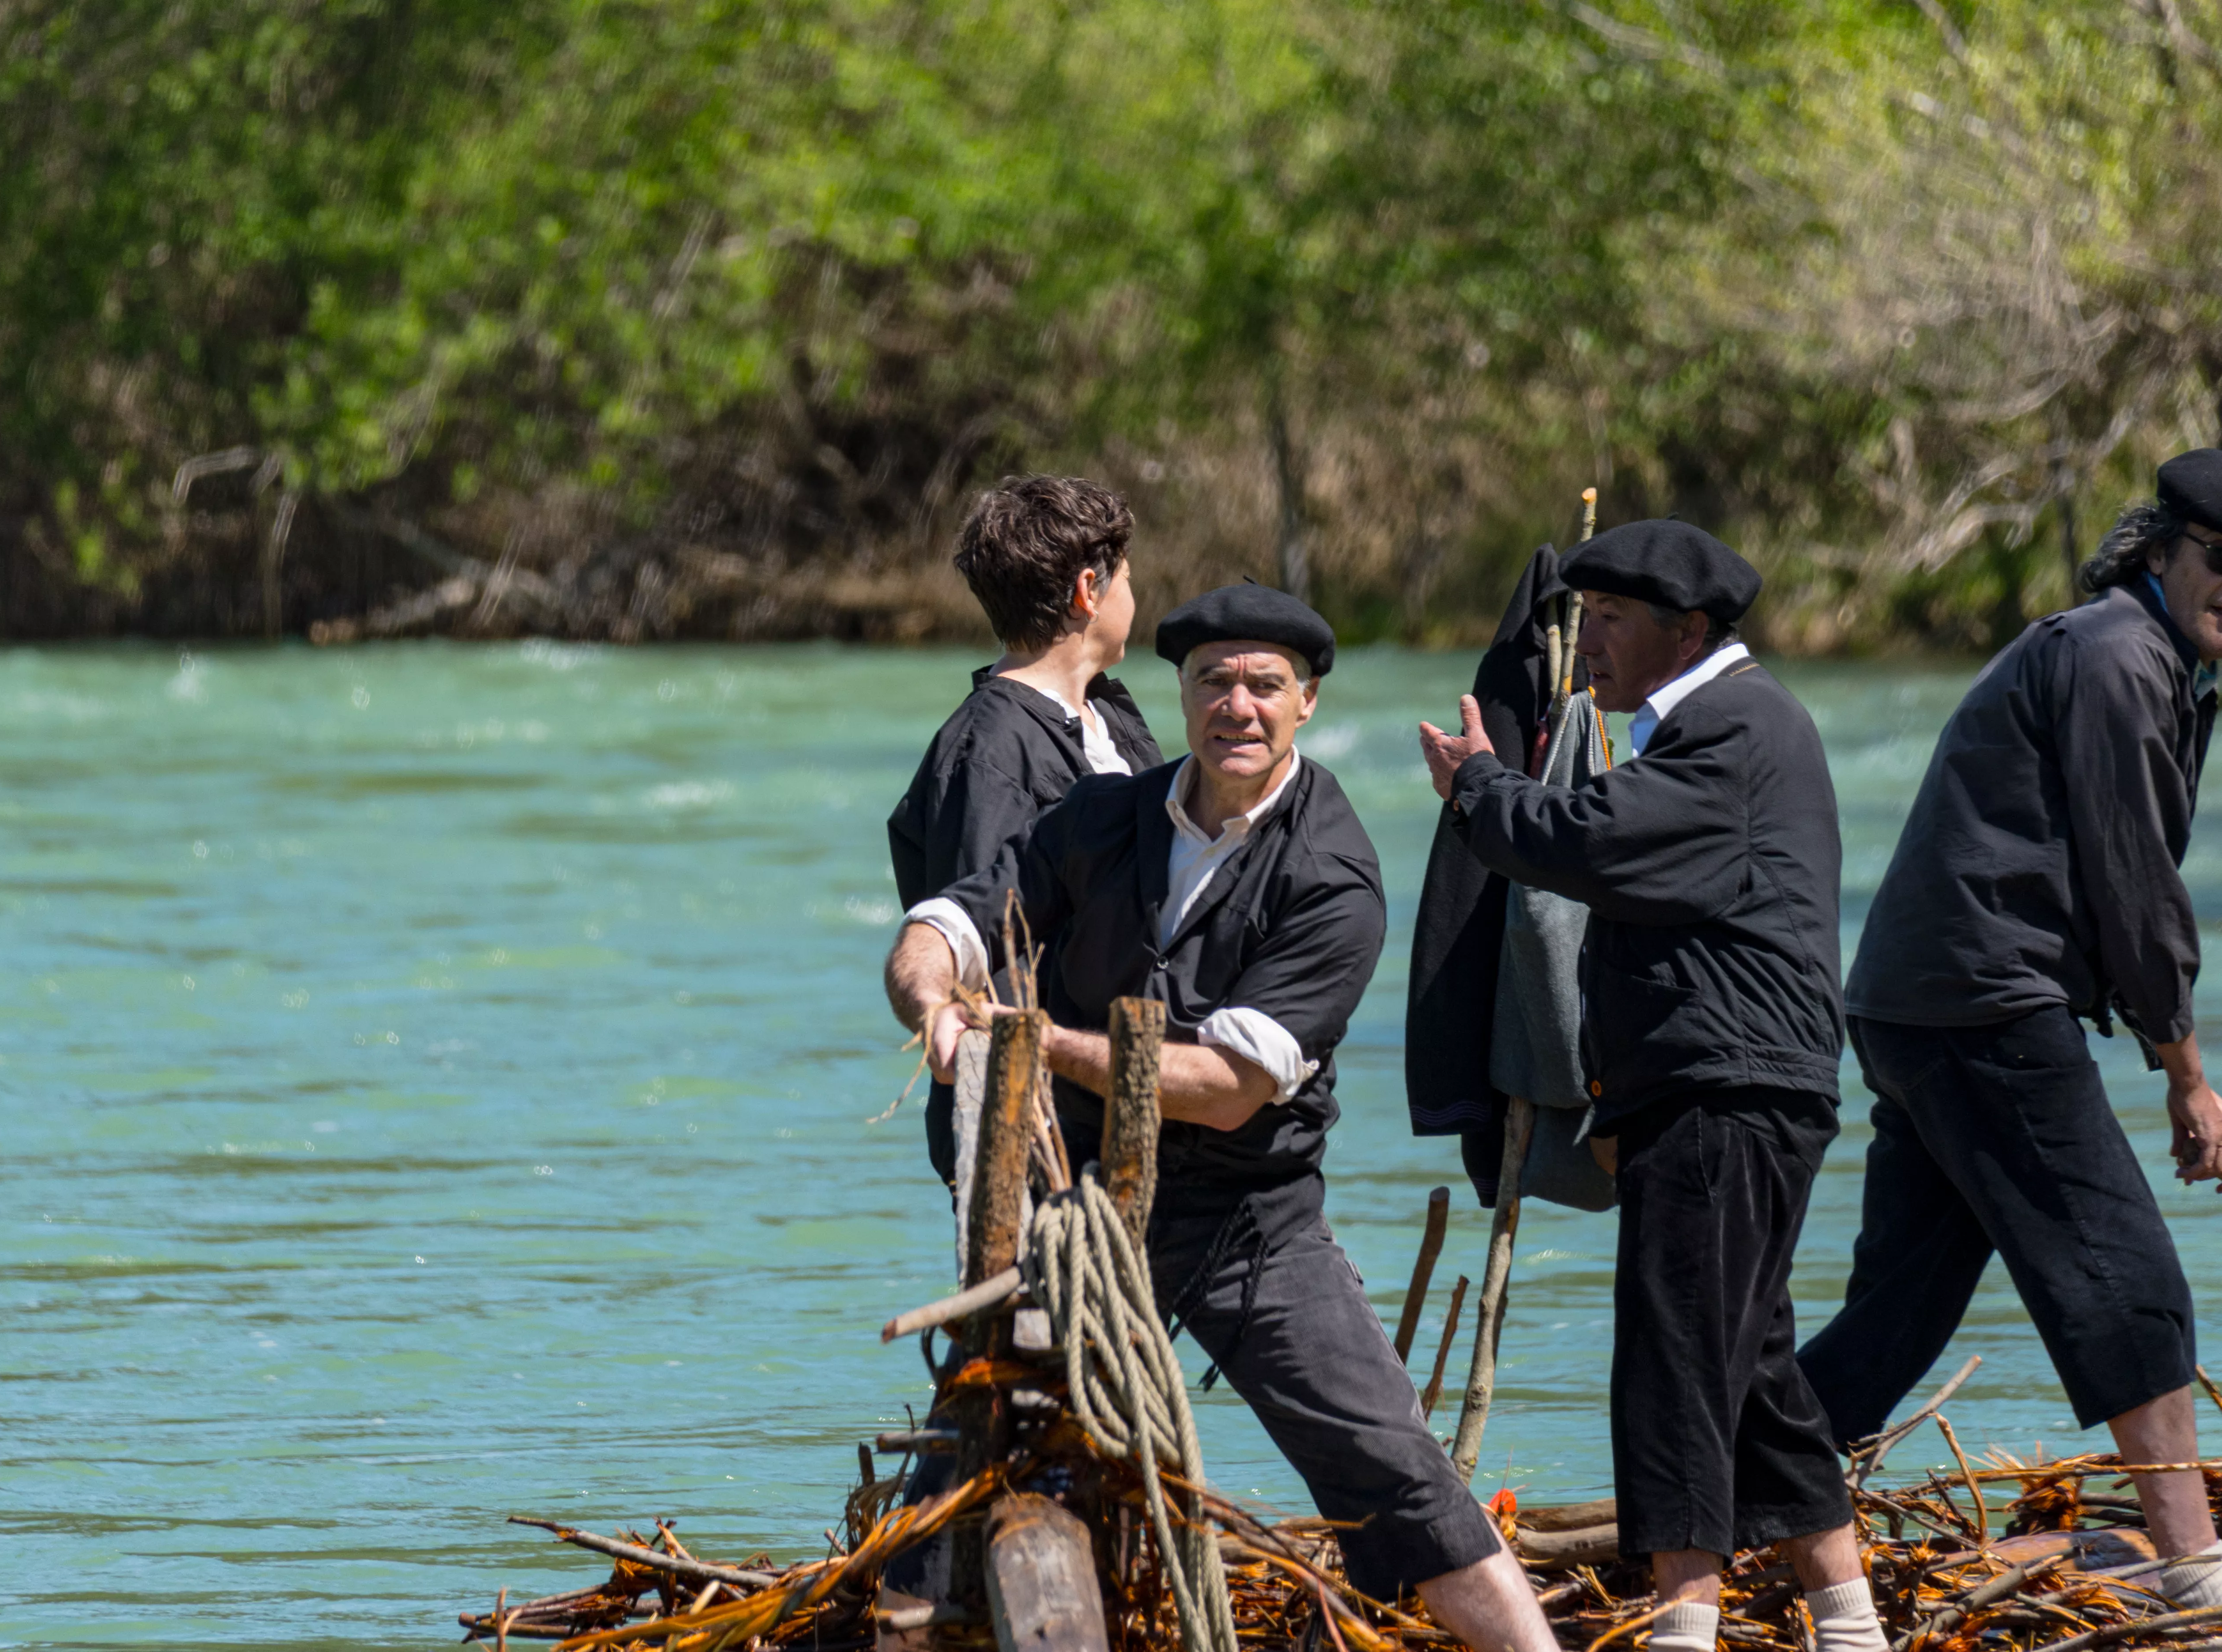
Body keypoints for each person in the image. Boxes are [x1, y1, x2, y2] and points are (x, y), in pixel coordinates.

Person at [885, 584, 1560, 1652]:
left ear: (1307, 703)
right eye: (1213, 682)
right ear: (1184, 696)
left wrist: (1039, 1040)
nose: (1235, 706)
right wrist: (935, 1001)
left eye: (1263, 685)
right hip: (1090, 1220)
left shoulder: (1331, 873)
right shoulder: (1104, 816)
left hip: (1249, 1222)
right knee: (973, 1455)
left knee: (1390, 1465)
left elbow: (1226, 1082)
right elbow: (951, 918)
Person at [1417, 521, 1880, 1652]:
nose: (1593, 648)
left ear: (1687, 631)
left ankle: (1683, 1622)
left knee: (1673, 1354)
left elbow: (1589, 840)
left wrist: (1479, 787)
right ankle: (1850, 1615)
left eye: (1615, 623)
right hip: (1724, 1087)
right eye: (1589, 621)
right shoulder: (1716, 726)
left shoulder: (1729, 730)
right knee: (1752, 1363)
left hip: (1724, 1090)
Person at [1797, 449, 2222, 1606]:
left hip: (1923, 996)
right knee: (2131, 1281)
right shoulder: (2120, 657)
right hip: (1980, 1000)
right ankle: (2194, 1569)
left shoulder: (2156, 658)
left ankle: (1731, 1495)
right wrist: (2187, 1072)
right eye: (2221, 561)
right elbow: (2137, 889)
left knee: (1901, 1306)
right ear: (2159, 550)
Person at [886, 474, 1163, 1184]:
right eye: (1126, 577)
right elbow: (991, 944)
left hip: (1116, 1102)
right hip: (1036, 1130)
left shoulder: (1110, 714)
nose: (1136, 595)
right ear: (1088, 591)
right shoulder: (991, 749)